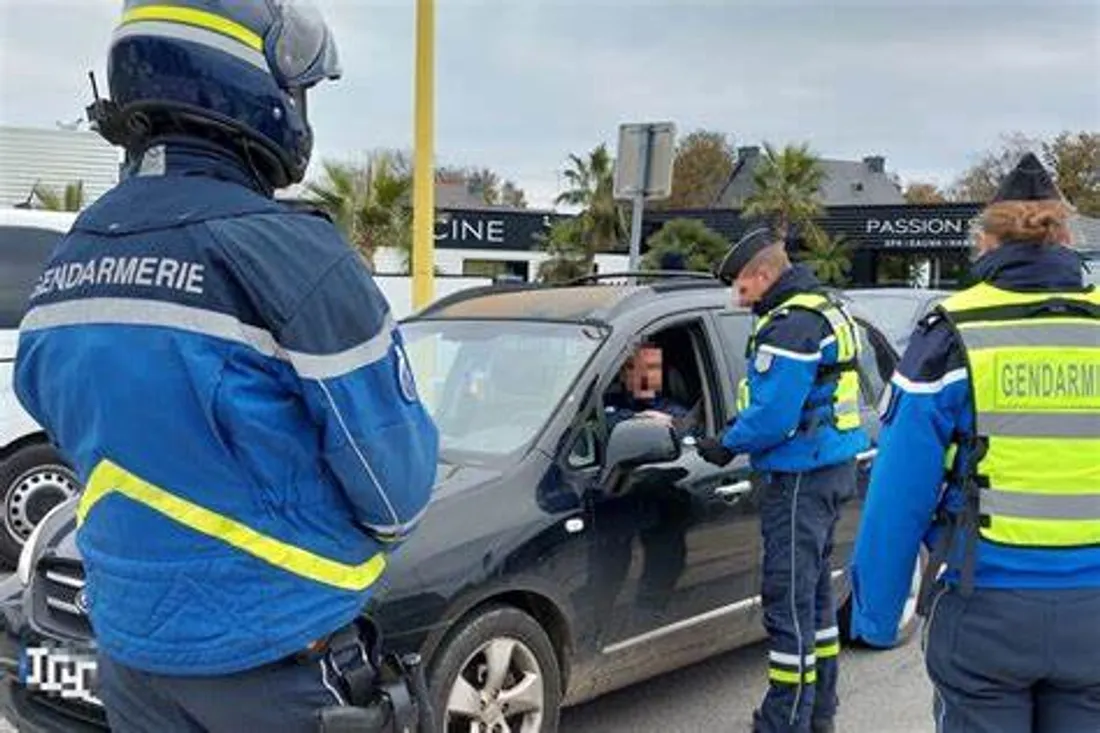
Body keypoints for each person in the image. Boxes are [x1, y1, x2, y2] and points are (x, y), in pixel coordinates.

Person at [13, 2, 439, 731]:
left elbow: (53, 404)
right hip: (277, 663)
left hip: (131, 656)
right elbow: (395, 492)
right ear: (249, 87)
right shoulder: (294, 258)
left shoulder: (69, 263)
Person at [849, 153, 1100, 732]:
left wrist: (878, 616)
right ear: (1066, 237)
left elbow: (899, 492)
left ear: (984, 243)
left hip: (986, 603)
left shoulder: (953, 331)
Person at [696, 228, 868, 733]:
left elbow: (773, 416)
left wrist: (725, 443)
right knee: (814, 602)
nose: (737, 296)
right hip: (831, 470)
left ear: (765, 274)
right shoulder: (826, 307)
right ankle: (818, 715)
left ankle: (782, 721)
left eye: (741, 286)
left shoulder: (790, 325)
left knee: (788, 604)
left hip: (799, 477)